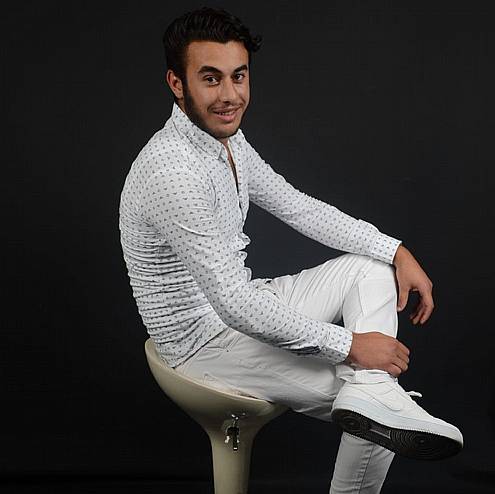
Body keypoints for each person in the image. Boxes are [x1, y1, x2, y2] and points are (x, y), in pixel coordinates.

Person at [118, 6, 463, 493]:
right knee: (373, 404)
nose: (230, 95)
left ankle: (376, 394)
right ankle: (377, 398)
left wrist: (396, 251)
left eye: (239, 76)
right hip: (202, 347)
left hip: (243, 308)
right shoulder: (172, 172)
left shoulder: (225, 142)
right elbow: (234, 303)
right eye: (211, 79)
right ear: (177, 83)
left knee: (370, 270)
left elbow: (297, 206)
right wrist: (351, 346)